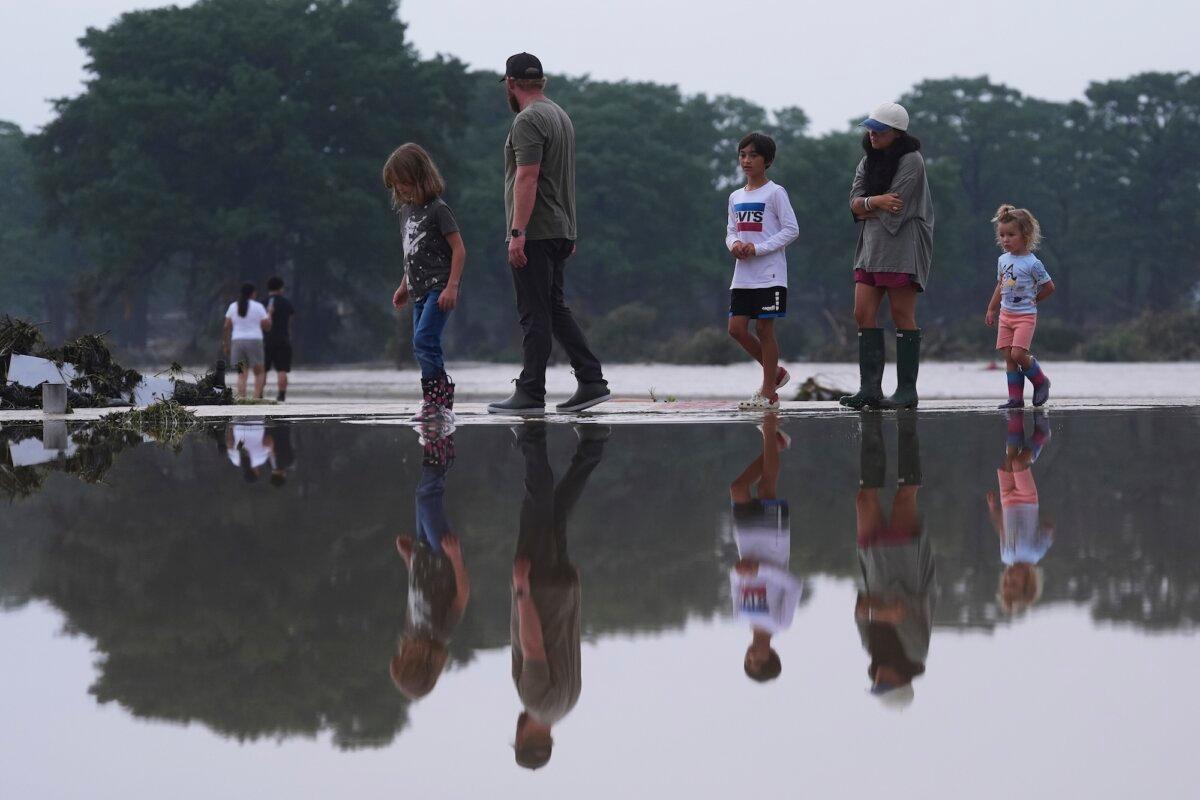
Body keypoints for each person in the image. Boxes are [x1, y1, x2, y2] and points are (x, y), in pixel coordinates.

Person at [488, 52, 610, 416]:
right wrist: (569, 232)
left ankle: (531, 392)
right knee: (554, 309)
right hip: (558, 228)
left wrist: (517, 232)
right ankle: (591, 381)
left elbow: (528, 176)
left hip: (535, 231)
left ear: (511, 83)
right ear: (541, 81)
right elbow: (564, 179)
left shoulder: (528, 120)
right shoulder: (560, 115)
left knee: (534, 312)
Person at [509, 421, 606, 769]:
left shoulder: (568, 703)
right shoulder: (534, 701)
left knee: (556, 515)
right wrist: (522, 591)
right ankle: (530, 435)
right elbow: (534, 647)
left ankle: (592, 448)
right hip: (539, 589)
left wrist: (575, 595)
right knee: (538, 504)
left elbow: (568, 640)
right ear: (523, 738)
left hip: (563, 590)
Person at [840, 103, 935, 411]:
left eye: (878, 130)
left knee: (901, 314)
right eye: (870, 128)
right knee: (862, 312)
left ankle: (907, 391)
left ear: (895, 133)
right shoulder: (866, 162)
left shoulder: (912, 160)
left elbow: (897, 205)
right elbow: (854, 203)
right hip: (869, 248)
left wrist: (870, 205)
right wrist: (874, 202)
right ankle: (869, 389)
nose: (872, 134)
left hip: (902, 246)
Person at [853, 413, 935, 707]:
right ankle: (906, 423)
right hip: (905, 566)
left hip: (873, 567)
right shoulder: (916, 652)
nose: (878, 679)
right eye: (885, 684)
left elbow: (860, 608)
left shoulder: (870, 649)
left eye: (876, 684)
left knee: (864, 498)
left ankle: (870, 424)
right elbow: (901, 607)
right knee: (905, 496)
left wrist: (876, 610)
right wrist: (880, 611)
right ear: (901, 680)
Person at [384, 143, 467, 422]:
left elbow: (459, 249)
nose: (401, 191)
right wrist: (403, 285)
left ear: (420, 177)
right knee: (422, 343)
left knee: (424, 339)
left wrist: (452, 286)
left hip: (439, 287)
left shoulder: (438, 210)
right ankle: (435, 401)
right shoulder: (406, 213)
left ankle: (438, 402)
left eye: (404, 183)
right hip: (418, 290)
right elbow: (412, 253)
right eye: (396, 186)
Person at [392, 420, 468, 700]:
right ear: (419, 661)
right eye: (404, 657)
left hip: (423, 554)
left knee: (421, 497)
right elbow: (461, 596)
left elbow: (418, 593)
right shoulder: (440, 633)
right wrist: (456, 558)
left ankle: (438, 448)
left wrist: (409, 559)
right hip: (442, 556)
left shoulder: (412, 631)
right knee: (427, 498)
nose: (402, 650)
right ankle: (439, 447)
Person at [725, 132, 800, 411]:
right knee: (736, 329)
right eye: (743, 155)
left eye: (753, 155)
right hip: (742, 275)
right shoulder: (735, 196)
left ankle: (768, 392)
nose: (746, 160)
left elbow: (791, 230)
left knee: (764, 328)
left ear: (766, 161)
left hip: (770, 274)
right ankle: (776, 373)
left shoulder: (775, 192)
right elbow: (731, 230)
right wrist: (734, 244)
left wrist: (759, 248)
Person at [728, 414, 805, 681]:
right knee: (765, 489)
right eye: (756, 662)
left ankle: (776, 445)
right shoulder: (781, 623)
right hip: (773, 546)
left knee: (737, 489)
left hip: (747, 545)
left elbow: (735, 582)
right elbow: (794, 586)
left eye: (747, 662)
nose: (750, 657)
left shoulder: (741, 618)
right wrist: (761, 569)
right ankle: (770, 428)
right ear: (769, 657)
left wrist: (739, 570)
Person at [984, 205, 1055, 408]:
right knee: (1008, 356)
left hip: (1025, 316)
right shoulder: (1002, 260)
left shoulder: (1033, 263)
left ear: (1025, 234)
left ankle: (1041, 381)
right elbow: (1001, 285)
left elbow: (1049, 287)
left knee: (1018, 354)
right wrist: (991, 308)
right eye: (1002, 235)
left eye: (1011, 235)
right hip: (1006, 315)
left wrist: (1036, 299)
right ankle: (1015, 399)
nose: (1005, 239)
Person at [987, 410, 1054, 614]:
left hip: (1007, 500)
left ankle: (1015, 419)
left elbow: (1002, 529)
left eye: (1005, 582)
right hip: (1026, 499)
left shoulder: (1006, 557)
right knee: (1018, 463)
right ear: (1028, 582)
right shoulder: (1035, 554)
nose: (1008, 578)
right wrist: (1045, 527)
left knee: (1009, 459)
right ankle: (1041, 436)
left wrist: (993, 509)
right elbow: (1048, 532)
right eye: (1014, 583)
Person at [222, 282, 271, 399]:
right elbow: (267, 326)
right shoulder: (258, 307)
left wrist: (225, 344)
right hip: (255, 341)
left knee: (241, 375)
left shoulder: (233, 306)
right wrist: (269, 314)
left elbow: (226, 327)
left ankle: (242, 399)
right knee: (259, 372)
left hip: (237, 342)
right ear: (253, 294)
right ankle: (256, 398)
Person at [263, 276, 295, 402]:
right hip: (282, 339)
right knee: (282, 370)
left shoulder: (263, 302)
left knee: (263, 370)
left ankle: (259, 394)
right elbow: (290, 320)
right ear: (281, 288)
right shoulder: (286, 303)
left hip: (265, 340)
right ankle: (281, 395)